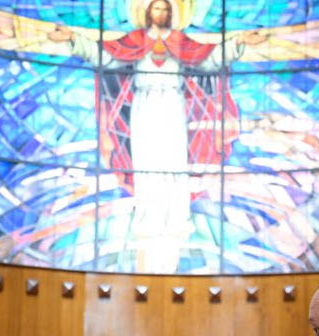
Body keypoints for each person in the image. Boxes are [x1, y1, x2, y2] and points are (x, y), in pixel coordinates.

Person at [48, 0, 243, 272]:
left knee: (174, 160)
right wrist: (74, 39)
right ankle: (147, 215)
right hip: (144, 106)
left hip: (172, 105)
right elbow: (107, 59)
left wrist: (236, 44)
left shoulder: (181, 42)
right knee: (146, 160)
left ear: (172, 13)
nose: (160, 13)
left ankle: (176, 218)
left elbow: (207, 62)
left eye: (165, 9)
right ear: (146, 12)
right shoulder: (134, 41)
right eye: (156, 8)